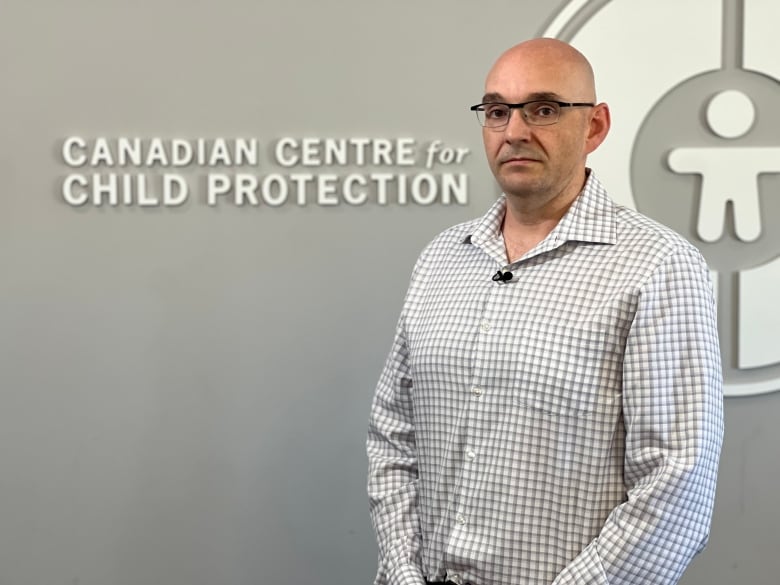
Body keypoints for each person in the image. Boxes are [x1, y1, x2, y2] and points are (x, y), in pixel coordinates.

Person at [366, 38, 724, 585]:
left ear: (595, 127)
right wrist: (401, 573)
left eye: (544, 109)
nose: (514, 131)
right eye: (496, 111)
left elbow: (678, 483)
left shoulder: (658, 267)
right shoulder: (442, 258)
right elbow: (393, 434)